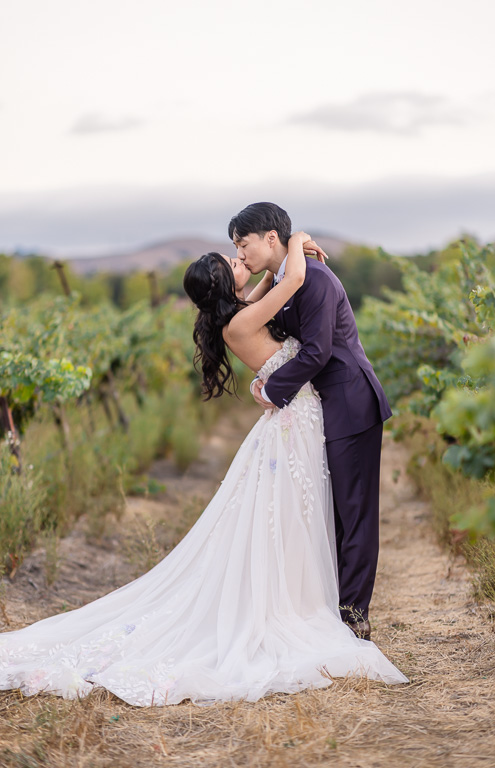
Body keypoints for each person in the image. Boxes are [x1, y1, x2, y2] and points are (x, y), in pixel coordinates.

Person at [0, 233, 407, 708]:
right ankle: (307, 609)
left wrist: (271, 272)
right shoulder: (243, 320)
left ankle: (314, 601)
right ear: (223, 283)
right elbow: (293, 277)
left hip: (299, 416)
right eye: (231, 261)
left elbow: (272, 284)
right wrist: (296, 240)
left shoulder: (240, 312)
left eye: (238, 253)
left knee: (300, 517)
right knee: (295, 516)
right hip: (295, 419)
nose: (240, 260)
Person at [229, 202, 393, 641]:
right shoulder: (287, 277)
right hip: (323, 406)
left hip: (351, 402)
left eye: (243, 244)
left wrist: (271, 390)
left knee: (354, 513)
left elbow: (318, 351)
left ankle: (353, 616)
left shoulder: (313, 277)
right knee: (331, 511)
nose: (240, 254)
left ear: (270, 238)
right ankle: (331, 609)